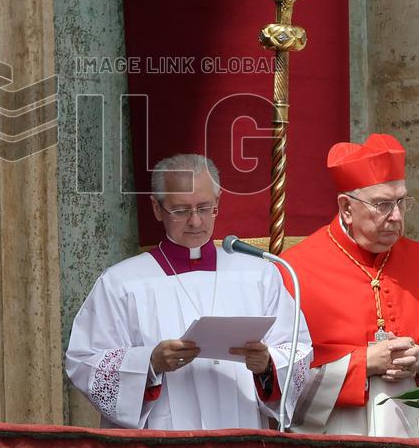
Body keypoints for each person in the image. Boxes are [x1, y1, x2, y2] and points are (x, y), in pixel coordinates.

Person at [65, 154, 312, 429]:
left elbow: (298, 350)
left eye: (204, 208)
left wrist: (267, 364)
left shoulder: (260, 275)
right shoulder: (121, 282)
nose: (195, 221)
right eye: (181, 210)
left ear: (217, 203)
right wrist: (149, 363)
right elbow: (84, 360)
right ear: (157, 209)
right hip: (162, 443)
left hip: (242, 438)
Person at [281, 133, 419, 436]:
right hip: (338, 440)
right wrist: (363, 363)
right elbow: (281, 382)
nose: (396, 216)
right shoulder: (295, 269)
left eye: (401, 201)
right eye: (383, 204)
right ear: (347, 208)